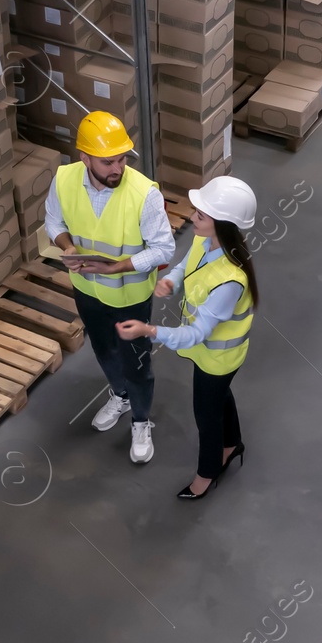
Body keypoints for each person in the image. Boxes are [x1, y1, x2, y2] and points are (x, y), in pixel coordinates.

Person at [115, 176, 258, 500]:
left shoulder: (230, 281)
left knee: (206, 416)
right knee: (219, 398)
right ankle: (232, 444)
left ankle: (207, 473)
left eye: (202, 215)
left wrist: (148, 331)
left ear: (222, 224)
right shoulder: (205, 241)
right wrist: (171, 281)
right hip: (209, 354)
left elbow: (196, 333)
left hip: (218, 357)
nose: (193, 217)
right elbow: (185, 266)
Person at [45, 111, 175, 463]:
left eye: (121, 159)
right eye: (107, 161)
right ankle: (119, 396)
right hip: (87, 290)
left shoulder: (143, 194)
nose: (117, 168)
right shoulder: (64, 180)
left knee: (136, 364)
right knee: (104, 351)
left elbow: (165, 248)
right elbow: (53, 220)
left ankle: (141, 421)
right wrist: (68, 248)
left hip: (130, 297)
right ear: (84, 157)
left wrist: (120, 266)